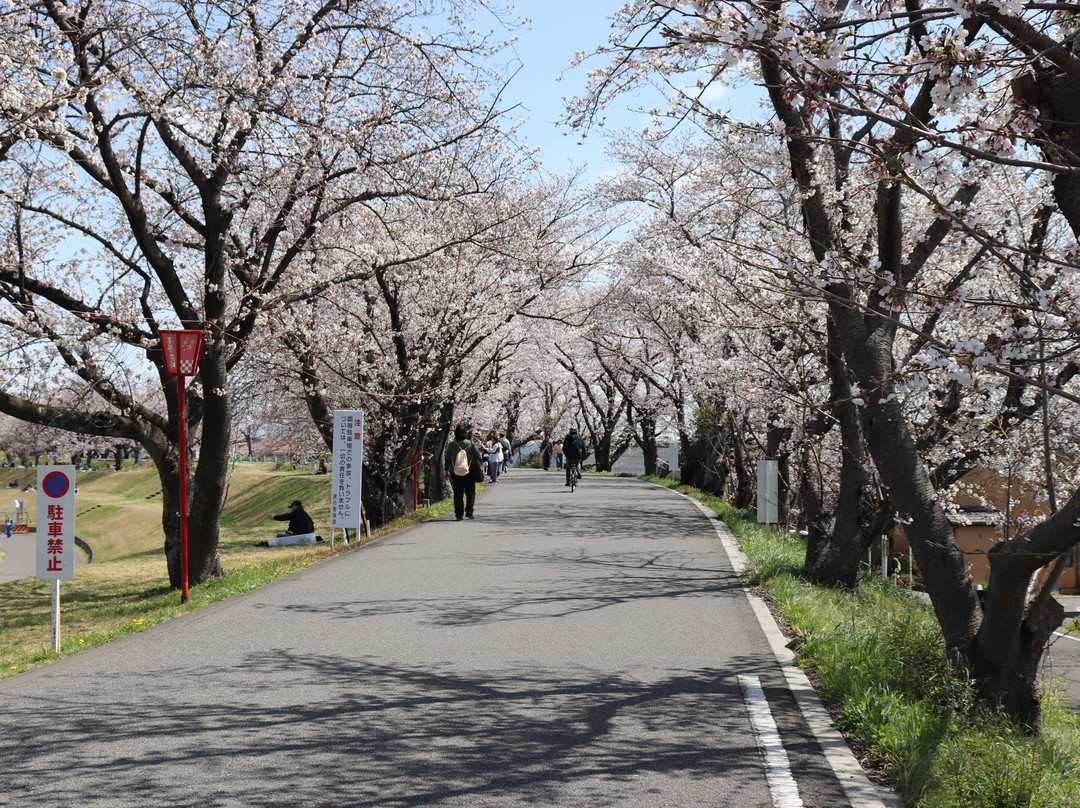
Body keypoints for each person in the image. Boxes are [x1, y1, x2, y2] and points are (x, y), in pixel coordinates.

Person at [444, 423, 483, 520]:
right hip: (469, 472)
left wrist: (446, 471)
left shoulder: (452, 445)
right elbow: (478, 456)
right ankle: (469, 512)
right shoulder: (470, 444)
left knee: (458, 494)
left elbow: (447, 459)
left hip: (456, 473)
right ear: (465, 433)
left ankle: (459, 514)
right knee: (470, 492)